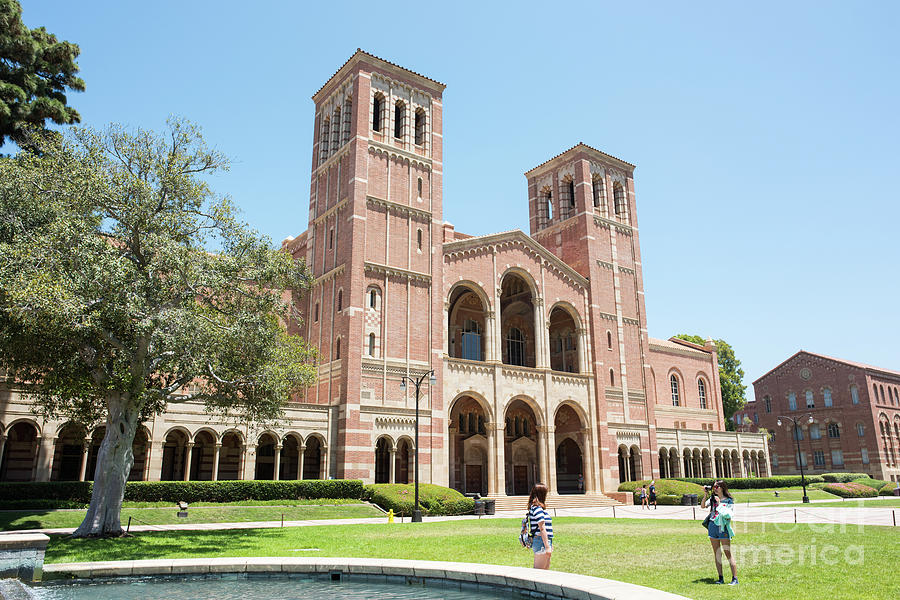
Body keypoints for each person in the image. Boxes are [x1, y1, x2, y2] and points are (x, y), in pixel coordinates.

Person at [701, 480, 737, 585]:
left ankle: (735, 578)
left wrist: (719, 503)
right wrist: (705, 495)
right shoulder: (712, 499)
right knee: (717, 553)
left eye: (717, 487)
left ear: (722, 487)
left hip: (723, 527)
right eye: (714, 487)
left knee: (727, 553)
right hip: (712, 526)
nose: (715, 488)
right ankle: (720, 578)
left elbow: (728, 515)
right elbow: (703, 506)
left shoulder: (729, 500)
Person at [527, 483, 553, 569]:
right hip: (541, 541)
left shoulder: (538, 508)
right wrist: (547, 546)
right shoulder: (537, 508)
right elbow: (542, 528)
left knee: (545, 573)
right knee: (538, 573)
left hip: (543, 541)